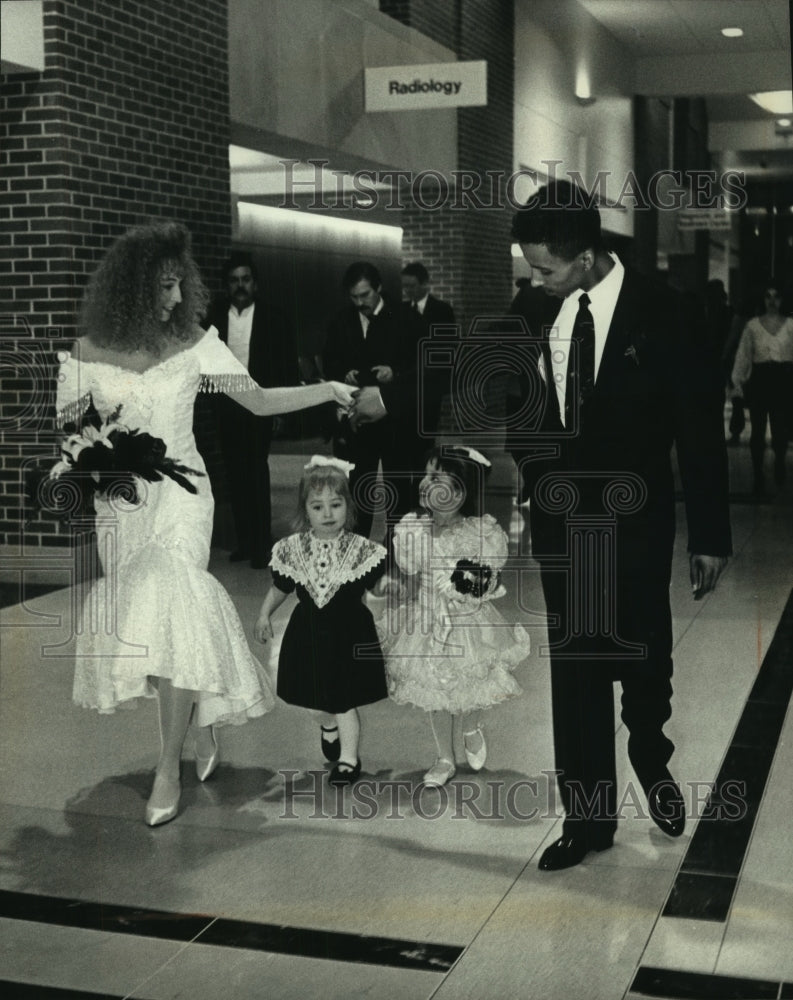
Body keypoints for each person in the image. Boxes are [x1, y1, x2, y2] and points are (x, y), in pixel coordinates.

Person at [55, 222, 355, 826]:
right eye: (162, 287)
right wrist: (90, 469)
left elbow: (261, 399)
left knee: (178, 603)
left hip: (184, 496)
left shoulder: (196, 343)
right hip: (121, 507)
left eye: (177, 286)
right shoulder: (87, 353)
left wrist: (326, 389)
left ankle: (170, 764)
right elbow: (71, 436)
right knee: (152, 630)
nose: (174, 299)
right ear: (132, 288)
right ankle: (200, 716)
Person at [511, 181, 731, 870]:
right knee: (576, 672)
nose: (534, 279)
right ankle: (587, 822)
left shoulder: (664, 312)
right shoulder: (528, 311)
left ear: (583, 257)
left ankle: (648, 753)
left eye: (544, 267)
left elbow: (698, 429)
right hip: (561, 521)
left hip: (634, 520)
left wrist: (711, 536)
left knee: (642, 659)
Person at [379, 446, 527, 787]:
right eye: (426, 475)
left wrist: (471, 585)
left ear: (459, 492)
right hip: (428, 620)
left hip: (468, 621)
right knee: (435, 689)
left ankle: (472, 724)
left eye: (435, 479)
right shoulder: (414, 528)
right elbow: (410, 566)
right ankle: (444, 757)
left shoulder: (480, 533)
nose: (424, 483)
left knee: (473, 679)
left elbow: (489, 577)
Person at [254, 456, 388, 785]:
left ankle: (348, 760)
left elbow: (381, 590)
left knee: (344, 700)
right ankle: (327, 725)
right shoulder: (294, 550)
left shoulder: (361, 551)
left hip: (349, 634)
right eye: (317, 507)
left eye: (335, 504)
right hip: (309, 634)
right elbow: (281, 587)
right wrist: (263, 613)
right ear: (305, 511)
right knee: (314, 699)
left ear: (348, 506)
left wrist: (392, 603)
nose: (328, 514)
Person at [205, 252, 297, 567]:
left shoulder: (275, 317)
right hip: (228, 405)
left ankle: (261, 546)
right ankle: (244, 543)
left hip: (261, 402)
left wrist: (281, 411)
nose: (240, 285)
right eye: (234, 281)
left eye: (245, 279)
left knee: (256, 472)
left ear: (255, 283)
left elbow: (286, 366)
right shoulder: (213, 317)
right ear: (226, 286)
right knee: (234, 473)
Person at [322, 261, 425, 538]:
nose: (359, 303)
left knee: (399, 493)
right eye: (354, 297)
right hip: (358, 420)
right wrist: (345, 373)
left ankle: (397, 554)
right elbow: (329, 363)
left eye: (365, 295)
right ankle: (358, 554)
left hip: (395, 419)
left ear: (379, 288)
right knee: (358, 491)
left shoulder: (407, 318)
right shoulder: (340, 320)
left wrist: (396, 373)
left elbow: (423, 367)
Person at [730, 282, 793, 494]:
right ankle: (758, 474)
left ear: (782, 300)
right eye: (768, 296)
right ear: (763, 299)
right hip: (760, 380)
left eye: (776, 296)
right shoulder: (753, 326)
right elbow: (744, 355)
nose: (772, 300)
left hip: (783, 381)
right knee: (757, 429)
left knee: (780, 428)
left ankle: (779, 462)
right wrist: (738, 381)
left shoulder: (791, 326)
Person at [400, 262, 456, 436]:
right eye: (405, 286)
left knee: (426, 429)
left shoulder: (442, 310)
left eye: (412, 286)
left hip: (430, 380)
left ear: (425, 284)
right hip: (405, 378)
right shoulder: (400, 311)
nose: (407, 291)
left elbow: (447, 346)